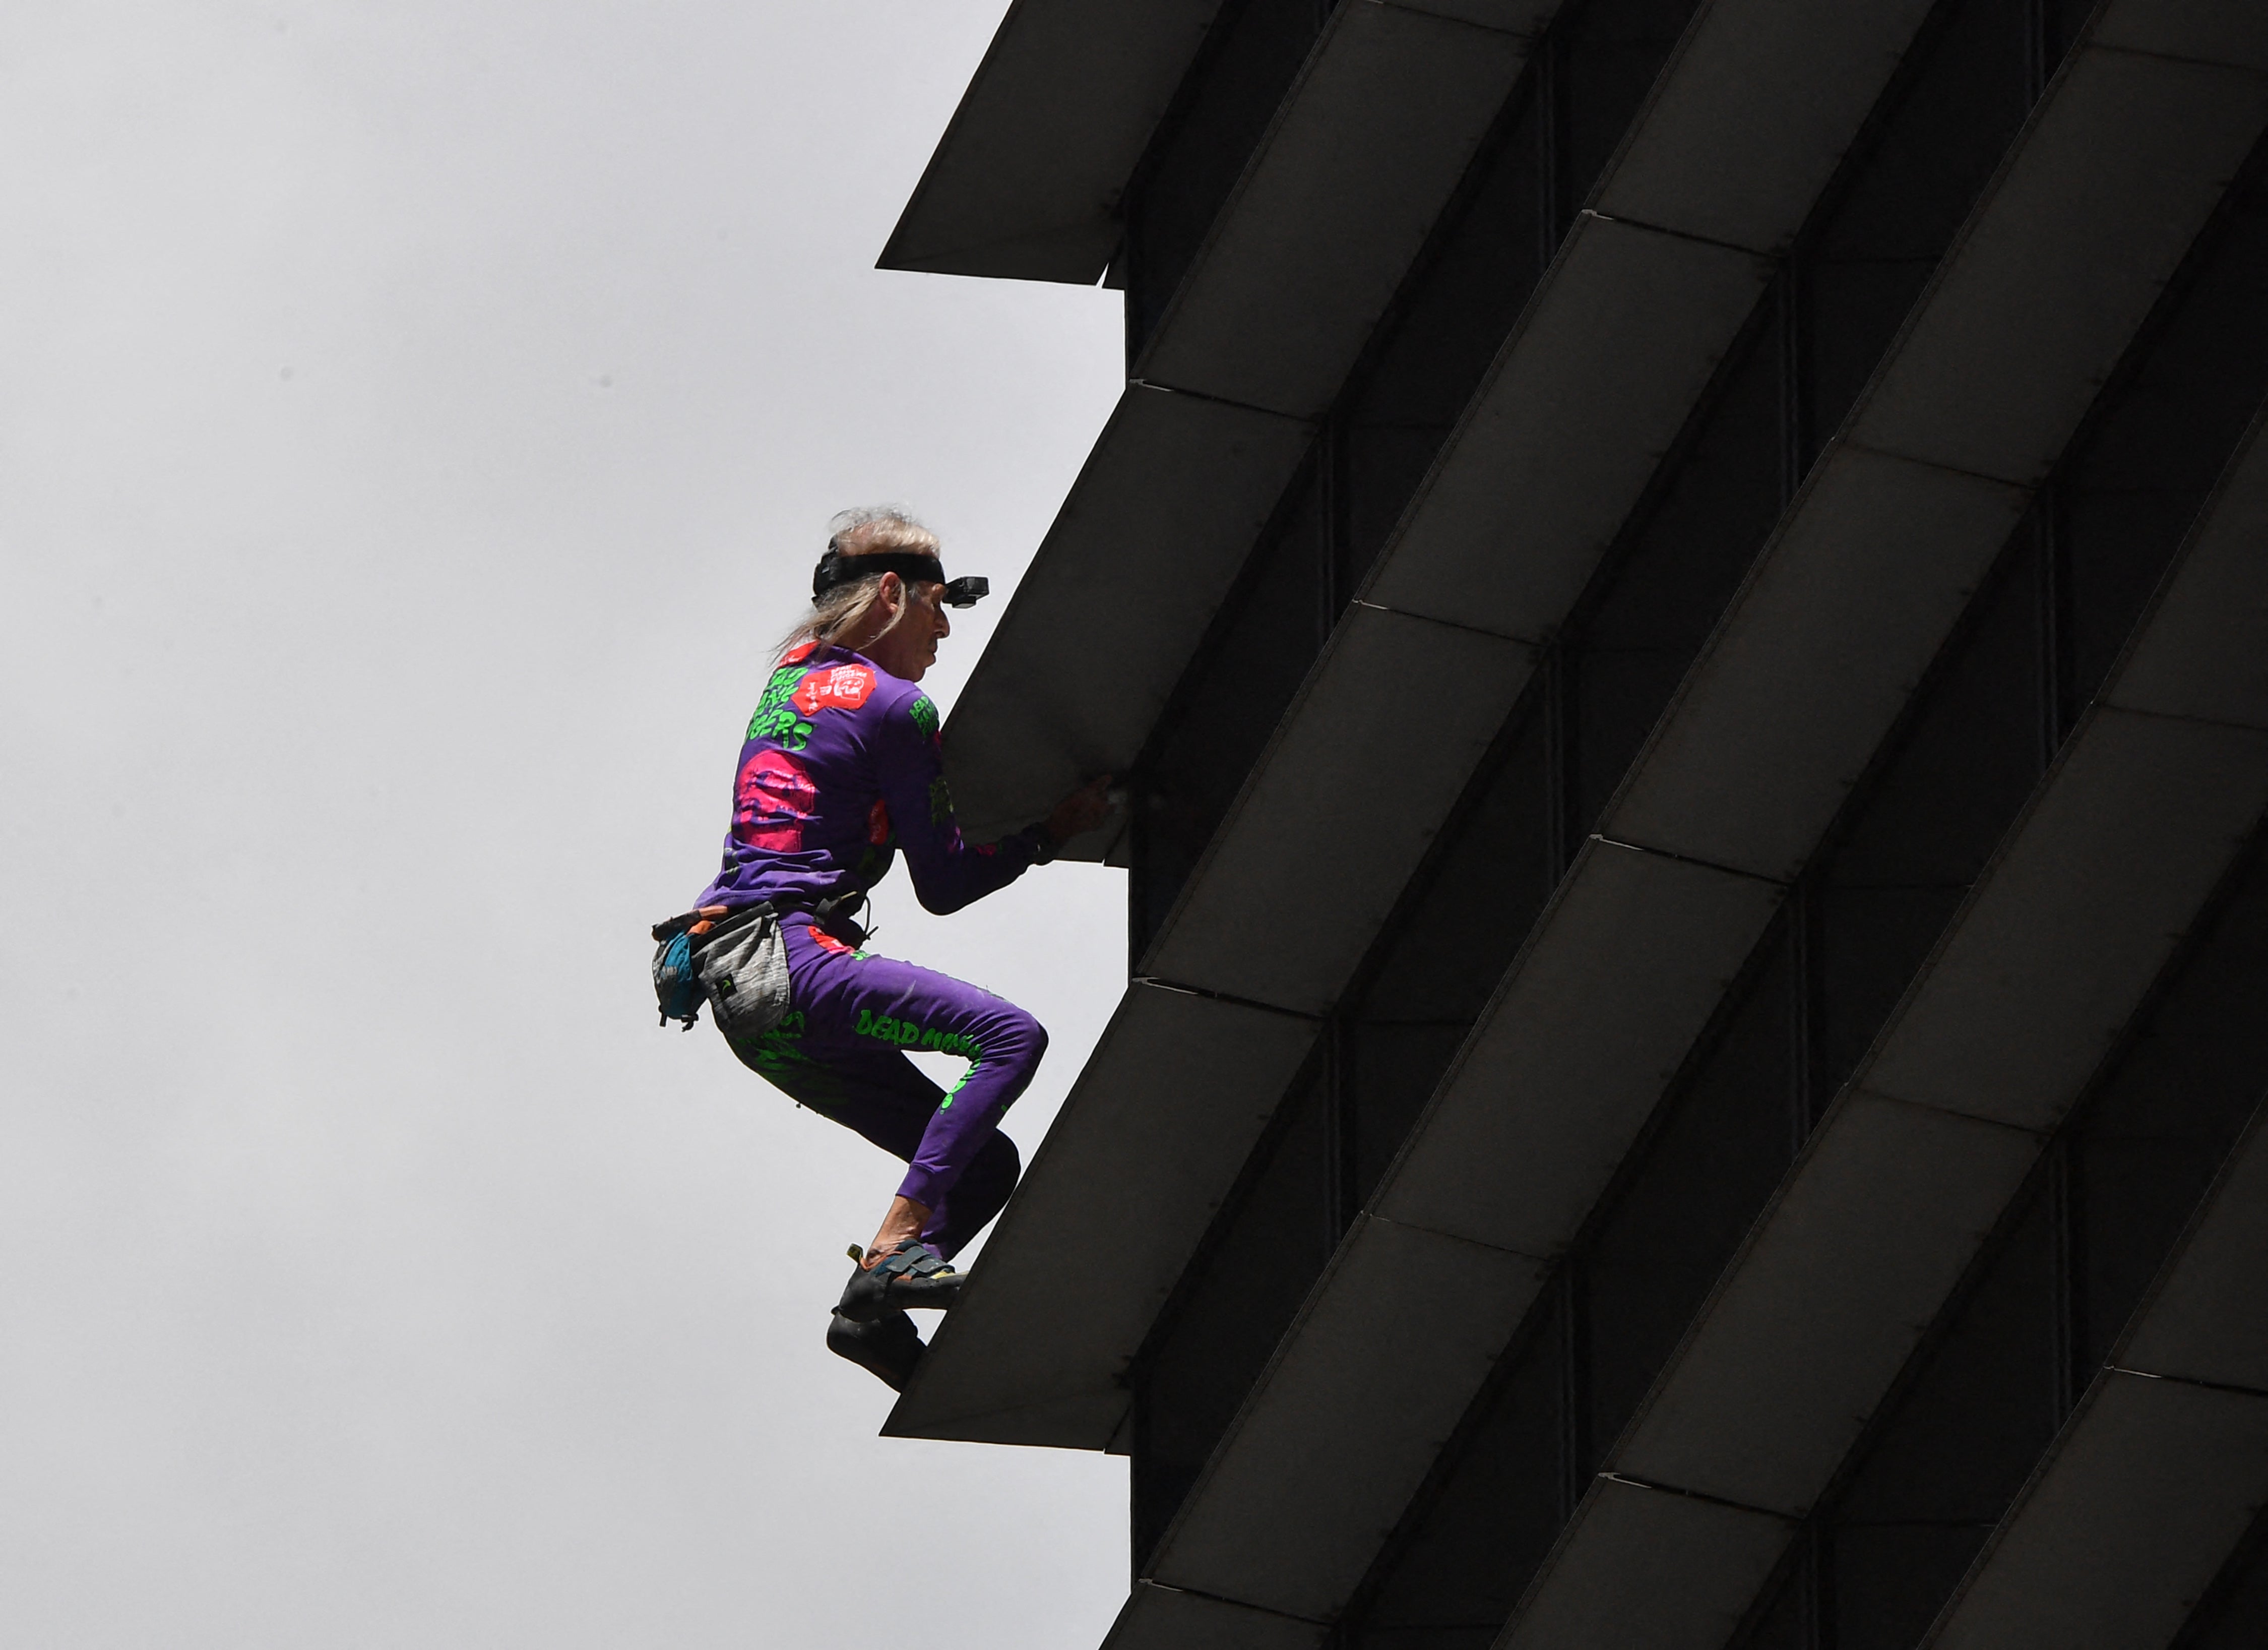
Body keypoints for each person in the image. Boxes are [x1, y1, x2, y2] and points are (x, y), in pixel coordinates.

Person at [671, 508, 1110, 1392]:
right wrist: (1044, 833)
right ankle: (895, 1249)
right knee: (1011, 1039)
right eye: (938, 607)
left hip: (743, 999)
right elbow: (942, 884)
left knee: (985, 1162)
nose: (945, 630)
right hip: (794, 963)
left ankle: (868, 1316)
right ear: (888, 594)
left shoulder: (788, 680)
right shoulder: (897, 705)